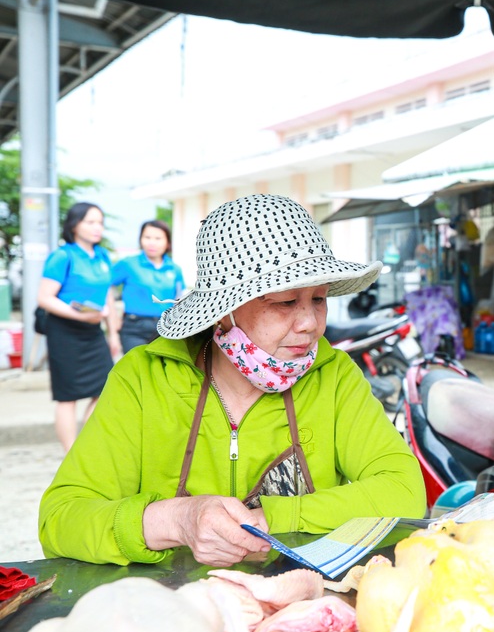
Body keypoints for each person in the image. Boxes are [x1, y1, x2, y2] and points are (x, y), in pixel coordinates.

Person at [39, 194, 427, 568]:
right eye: (286, 302)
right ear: (223, 313)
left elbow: (404, 491)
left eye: (319, 300)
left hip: (293, 606)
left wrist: (267, 519)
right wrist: (175, 520)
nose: (310, 324)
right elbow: (62, 519)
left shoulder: (335, 375)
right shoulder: (145, 377)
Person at [36, 202, 120, 452]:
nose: (98, 228)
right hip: (65, 332)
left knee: (104, 389)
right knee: (68, 395)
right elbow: (45, 298)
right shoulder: (63, 256)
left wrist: (112, 332)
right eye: (90, 222)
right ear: (74, 225)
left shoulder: (103, 256)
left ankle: (87, 447)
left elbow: (108, 297)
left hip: (94, 332)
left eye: (101, 222)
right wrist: (81, 316)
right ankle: (70, 454)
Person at [111, 219, 187, 353]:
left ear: (167, 242)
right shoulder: (128, 264)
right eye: (147, 237)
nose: (152, 242)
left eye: (158, 238)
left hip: (165, 327)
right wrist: (113, 317)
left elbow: (179, 298)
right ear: (141, 239)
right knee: (137, 369)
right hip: (134, 327)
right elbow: (105, 286)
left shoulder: (175, 269)